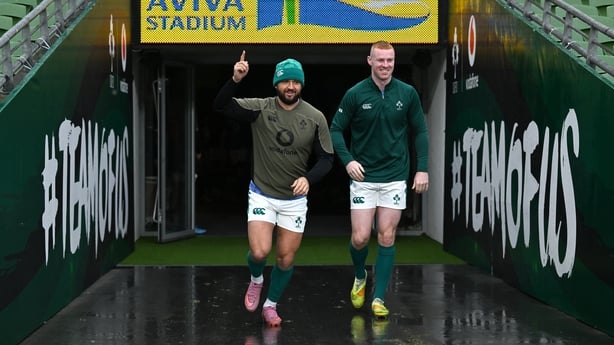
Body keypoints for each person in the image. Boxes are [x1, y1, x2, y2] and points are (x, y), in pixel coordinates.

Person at [213, 51, 334, 327]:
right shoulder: (261, 107)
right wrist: (235, 79)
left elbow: (327, 159)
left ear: (301, 85)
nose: (290, 86)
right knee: (259, 252)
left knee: (285, 257)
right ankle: (256, 280)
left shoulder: (315, 117)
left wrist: (308, 179)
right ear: (276, 84)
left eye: (296, 82)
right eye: (285, 82)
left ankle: (271, 305)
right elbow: (220, 106)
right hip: (262, 194)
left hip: (294, 200)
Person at [329, 40, 429, 319]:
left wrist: (422, 168)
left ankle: (379, 297)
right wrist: (348, 161)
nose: (385, 65)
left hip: (395, 176)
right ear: (369, 61)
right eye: (380, 60)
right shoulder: (355, 94)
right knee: (360, 238)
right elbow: (336, 130)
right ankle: (360, 275)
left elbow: (420, 131)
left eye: (390, 60)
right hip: (363, 177)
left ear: (394, 62)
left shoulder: (407, 93)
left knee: (386, 234)